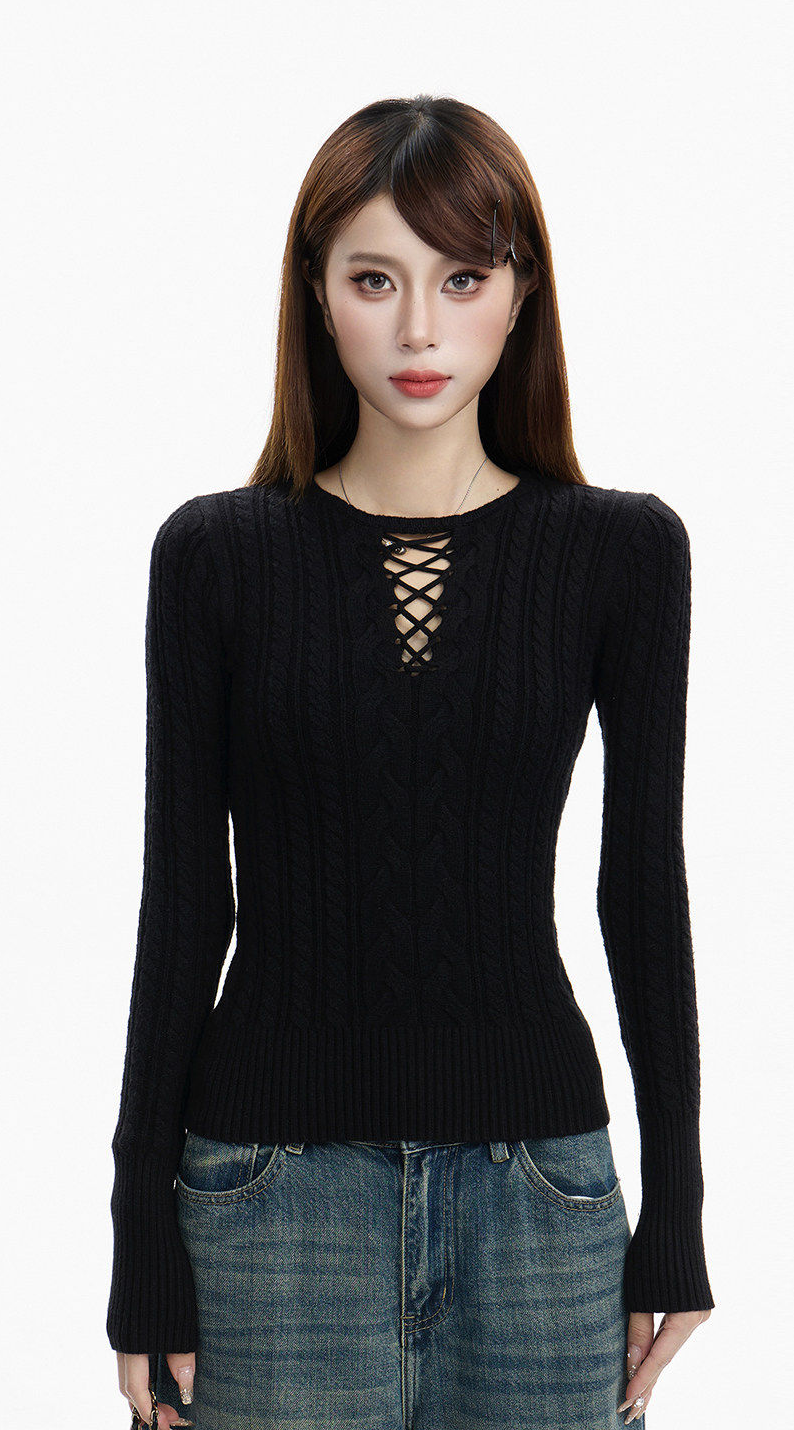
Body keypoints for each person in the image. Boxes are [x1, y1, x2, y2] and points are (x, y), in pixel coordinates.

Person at [108, 94, 714, 1430]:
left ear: (522, 293)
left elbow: (640, 893)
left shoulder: (620, 554)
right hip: (268, 1201)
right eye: (375, 280)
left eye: (463, 279)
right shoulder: (216, 558)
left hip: (541, 1201)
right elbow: (184, 905)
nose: (421, 330)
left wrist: (677, 1210)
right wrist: (138, 1233)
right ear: (317, 296)